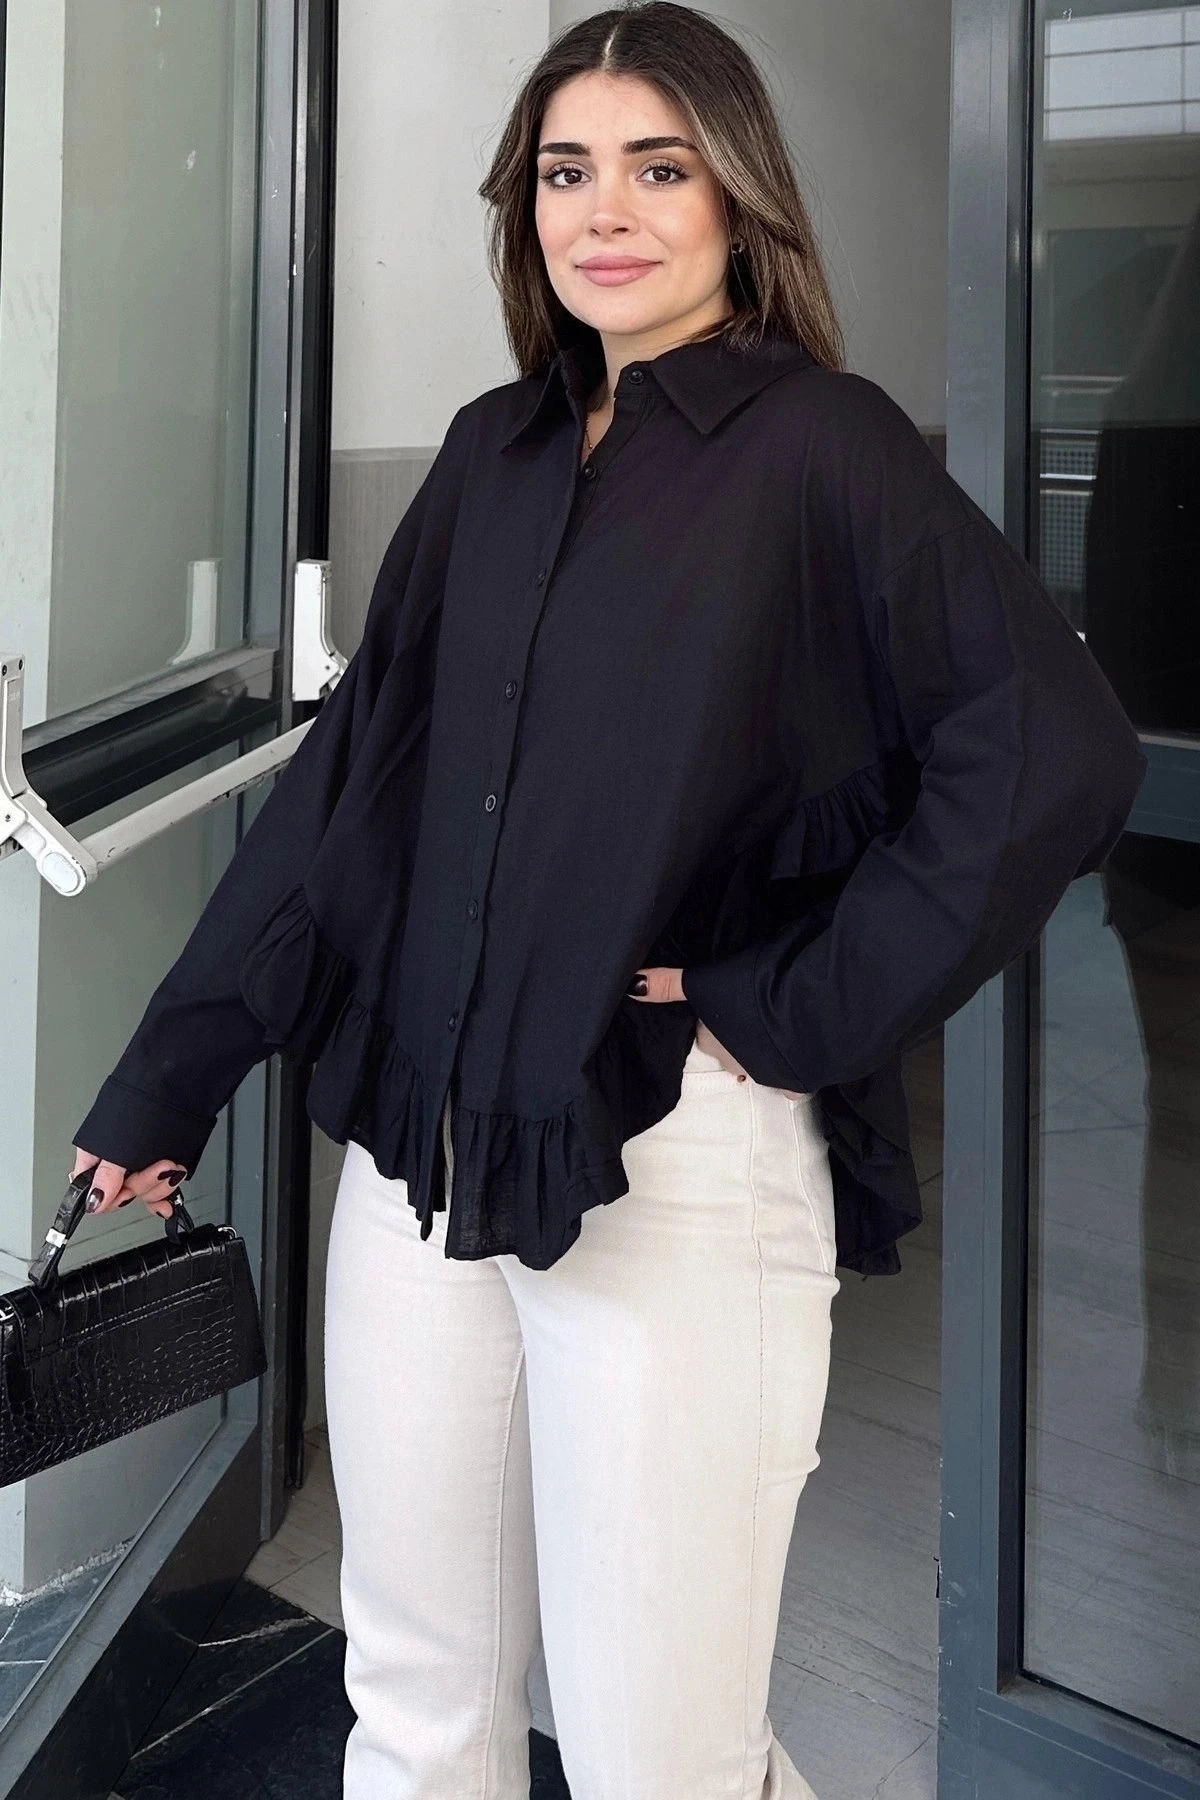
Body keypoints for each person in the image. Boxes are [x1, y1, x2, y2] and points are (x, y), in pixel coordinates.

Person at [69, 5, 1147, 1795]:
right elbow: (347, 798)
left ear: (739, 196)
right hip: (420, 1155)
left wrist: (781, 1005)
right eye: (567, 172)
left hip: (674, 1153)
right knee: (418, 1707)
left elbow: (1053, 750)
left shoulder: (823, 448)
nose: (608, 211)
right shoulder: (488, 456)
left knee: (661, 1756)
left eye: (660, 166)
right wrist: (168, 1076)